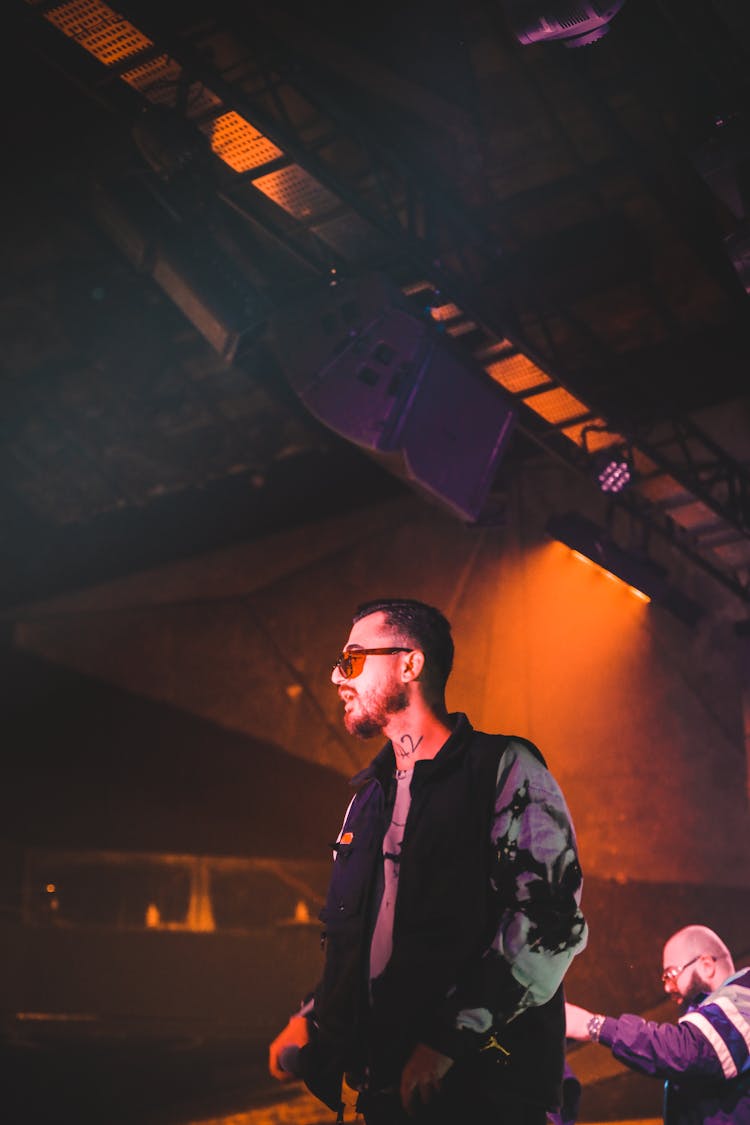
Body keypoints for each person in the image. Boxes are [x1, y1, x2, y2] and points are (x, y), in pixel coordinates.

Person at [269, 598, 588, 1124]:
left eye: (350, 660)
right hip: (389, 1095)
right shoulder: (368, 799)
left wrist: (446, 1039)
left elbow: (550, 923)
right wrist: (311, 1019)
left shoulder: (502, 769)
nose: (334, 676)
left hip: (484, 1096)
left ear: (409, 663)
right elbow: (363, 938)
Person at [565, 924, 750, 1124]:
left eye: (671, 975)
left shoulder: (744, 995)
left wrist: (593, 1025)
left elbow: (686, 1049)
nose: (667, 987)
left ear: (706, 965)